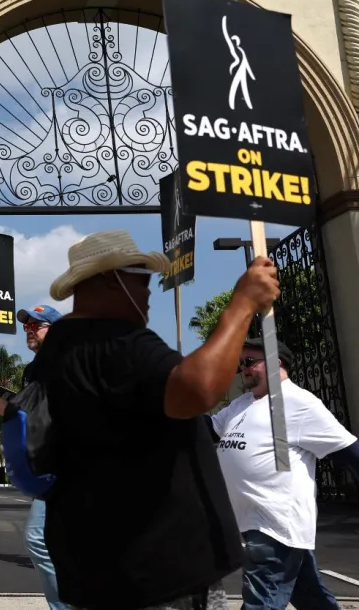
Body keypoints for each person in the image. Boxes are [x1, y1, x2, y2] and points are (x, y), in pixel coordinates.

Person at [29, 229, 279, 610]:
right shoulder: (114, 343)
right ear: (111, 279)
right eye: (139, 275)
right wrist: (242, 305)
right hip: (159, 576)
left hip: (103, 568)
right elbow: (196, 390)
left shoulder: (63, 348)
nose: (148, 289)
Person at [211, 337, 359, 610]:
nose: (243, 368)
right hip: (254, 520)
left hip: (275, 521)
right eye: (241, 363)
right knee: (312, 598)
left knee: (260, 600)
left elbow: (346, 448)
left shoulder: (297, 402)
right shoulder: (241, 404)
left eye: (249, 362)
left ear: (275, 363)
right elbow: (210, 429)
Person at [0, 304, 66, 609]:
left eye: (36, 325)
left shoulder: (68, 364)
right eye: (26, 327)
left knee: (39, 539)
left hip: (73, 469)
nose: (29, 330)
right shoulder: (33, 371)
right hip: (50, 472)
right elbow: (21, 413)